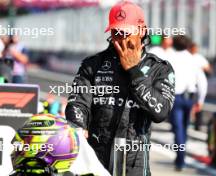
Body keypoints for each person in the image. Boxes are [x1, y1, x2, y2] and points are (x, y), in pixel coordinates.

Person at [65, 1, 175, 175]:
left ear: (141, 31)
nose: (120, 38)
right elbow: (78, 103)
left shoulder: (159, 68)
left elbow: (160, 112)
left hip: (134, 164)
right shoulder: (92, 65)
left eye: (125, 32)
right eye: (116, 33)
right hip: (94, 160)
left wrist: (133, 71)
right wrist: (77, 126)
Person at [168, 35, 208, 171]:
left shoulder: (169, 58)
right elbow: (202, 81)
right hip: (189, 97)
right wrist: (200, 101)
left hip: (175, 97)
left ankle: (180, 160)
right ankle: (181, 156)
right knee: (184, 128)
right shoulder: (194, 59)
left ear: (174, 45)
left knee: (178, 129)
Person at [188, 42, 211, 131]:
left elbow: (208, 68)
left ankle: (198, 124)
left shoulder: (200, 58)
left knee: (199, 104)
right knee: (189, 104)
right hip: (189, 85)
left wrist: (205, 69)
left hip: (199, 84)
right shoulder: (186, 57)